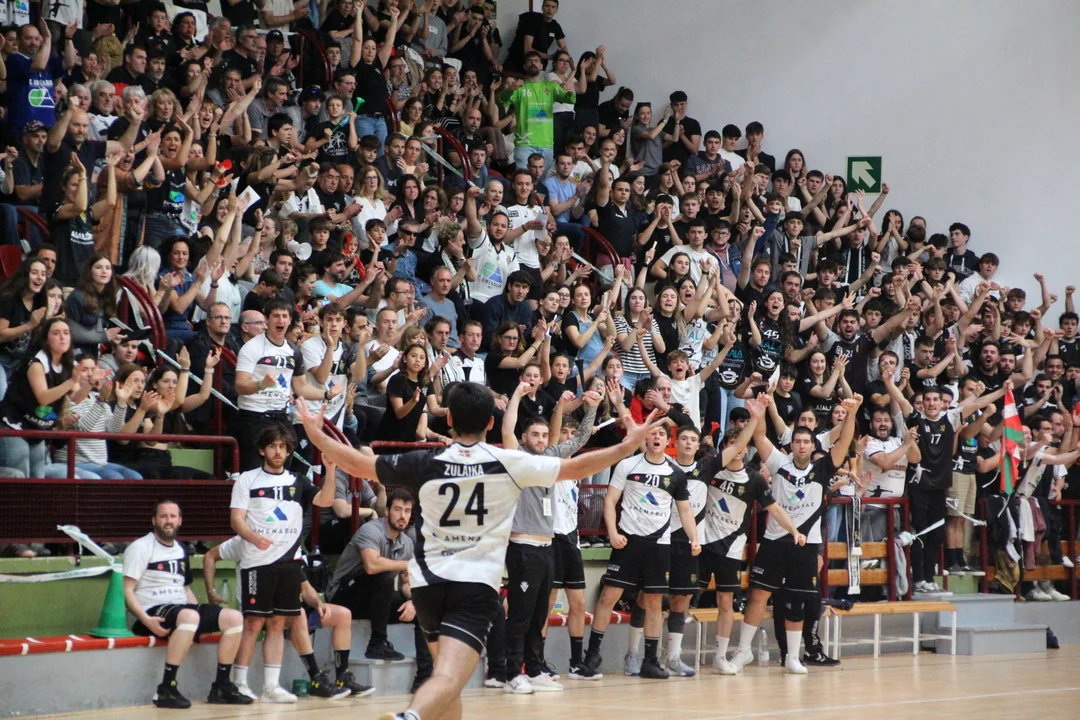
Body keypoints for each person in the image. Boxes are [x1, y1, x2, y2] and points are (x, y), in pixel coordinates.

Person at [294, 382, 665, 720]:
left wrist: (315, 434)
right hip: (474, 586)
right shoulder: (509, 461)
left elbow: (359, 463)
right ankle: (409, 717)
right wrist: (626, 445)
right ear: (491, 422)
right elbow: (577, 466)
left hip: (427, 586)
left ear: (449, 419)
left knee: (448, 684)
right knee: (448, 677)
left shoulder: (424, 461)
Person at [731, 395, 861, 675]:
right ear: (791, 445)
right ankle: (743, 651)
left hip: (806, 545)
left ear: (813, 446)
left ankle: (792, 656)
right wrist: (759, 412)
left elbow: (844, 441)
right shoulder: (779, 463)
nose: (801, 445)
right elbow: (760, 437)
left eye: (806, 442)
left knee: (796, 599)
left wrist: (851, 413)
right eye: (797, 441)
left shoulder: (822, 467)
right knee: (758, 595)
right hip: (774, 542)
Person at [497, 384, 600, 691]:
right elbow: (506, 430)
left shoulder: (553, 457)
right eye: (535, 435)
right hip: (522, 548)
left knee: (539, 614)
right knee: (520, 615)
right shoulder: (516, 458)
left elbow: (580, 440)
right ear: (524, 438)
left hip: (547, 547)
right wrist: (517, 395)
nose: (541, 440)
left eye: (544, 435)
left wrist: (592, 407)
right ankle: (510, 673)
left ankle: (534, 669)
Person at [581, 424, 701, 681]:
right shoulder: (628, 465)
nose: (656, 437)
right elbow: (610, 500)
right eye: (652, 433)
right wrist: (612, 533)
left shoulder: (675, 473)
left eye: (661, 434)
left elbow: (685, 510)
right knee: (609, 596)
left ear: (668, 441)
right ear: (645, 438)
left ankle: (650, 661)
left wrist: (694, 538)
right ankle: (591, 656)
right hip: (628, 541)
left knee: (654, 601)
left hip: (659, 545)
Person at [229, 426, 337, 703]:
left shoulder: (298, 481)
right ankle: (238, 682)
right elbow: (236, 520)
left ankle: (270, 687)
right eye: (273, 446)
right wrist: (254, 537)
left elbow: (325, 500)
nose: (278, 451)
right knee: (254, 623)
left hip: (289, 563)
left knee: (278, 623)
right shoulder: (247, 480)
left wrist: (331, 470)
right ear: (262, 449)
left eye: (283, 447)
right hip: (257, 563)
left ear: (289, 451)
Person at [204, 527, 373, 700]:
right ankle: (315, 678)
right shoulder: (244, 541)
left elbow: (305, 587)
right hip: (256, 608)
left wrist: (319, 604)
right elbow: (210, 555)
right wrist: (211, 591)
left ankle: (342, 678)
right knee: (297, 615)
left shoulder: (290, 545)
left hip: (289, 606)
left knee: (342, 614)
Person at [122, 500, 251, 708]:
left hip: (180, 609)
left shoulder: (181, 549)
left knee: (234, 617)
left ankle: (221, 686)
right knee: (190, 616)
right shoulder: (141, 547)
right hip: (152, 611)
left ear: (180, 521)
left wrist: (200, 622)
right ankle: (166, 688)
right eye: (163, 516)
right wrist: (146, 620)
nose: (168, 521)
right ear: (154, 520)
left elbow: (186, 589)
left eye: (173, 516)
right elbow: (127, 591)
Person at [327, 486, 433, 691]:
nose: (402, 516)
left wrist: (413, 602)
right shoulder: (371, 530)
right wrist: (408, 564)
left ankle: (424, 678)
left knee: (423, 608)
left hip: (376, 600)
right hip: (344, 595)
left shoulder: (407, 543)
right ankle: (377, 643)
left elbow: (406, 582)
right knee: (383, 577)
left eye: (407, 511)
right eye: (397, 510)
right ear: (387, 511)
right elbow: (372, 566)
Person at [233, 299, 340, 471]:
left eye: (284, 316)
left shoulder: (293, 351)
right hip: (254, 415)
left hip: (281, 416)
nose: (280, 320)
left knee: (287, 459)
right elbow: (240, 384)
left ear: (290, 320)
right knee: (256, 469)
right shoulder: (252, 348)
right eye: (276, 316)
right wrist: (261, 384)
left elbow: (301, 387)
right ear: (267, 320)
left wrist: (326, 394)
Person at [500, 50, 576, 170]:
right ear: (524, 66)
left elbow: (569, 99)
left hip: (546, 145)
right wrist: (510, 89)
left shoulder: (551, 86)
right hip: (524, 144)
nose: (533, 63)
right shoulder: (519, 87)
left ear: (541, 66)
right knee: (523, 179)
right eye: (530, 61)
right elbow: (502, 100)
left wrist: (570, 91)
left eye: (536, 61)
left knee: (543, 181)